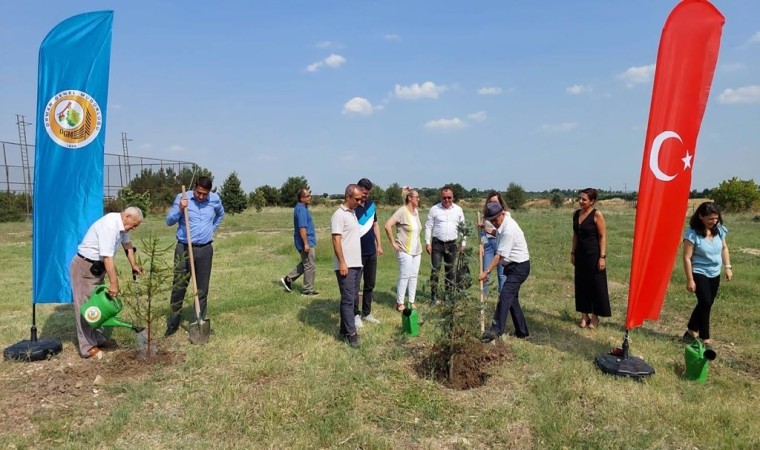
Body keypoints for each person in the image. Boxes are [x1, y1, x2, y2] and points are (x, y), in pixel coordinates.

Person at [70, 207, 143, 359]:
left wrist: (134, 264)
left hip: (97, 268)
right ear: (127, 216)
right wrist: (114, 283)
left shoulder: (122, 227)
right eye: (134, 224)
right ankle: (87, 346)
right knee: (85, 307)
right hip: (85, 267)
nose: (134, 228)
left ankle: (96, 337)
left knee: (97, 305)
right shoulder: (110, 226)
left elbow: (128, 246)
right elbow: (108, 257)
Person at [165, 176, 225, 337]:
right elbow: (169, 221)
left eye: (204, 194)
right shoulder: (182, 197)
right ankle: (172, 324)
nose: (201, 197)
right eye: (199, 193)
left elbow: (220, 214)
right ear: (194, 188)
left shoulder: (214, 199)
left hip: (205, 249)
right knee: (179, 287)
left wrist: (212, 229)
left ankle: (198, 321)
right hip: (184, 248)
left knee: (202, 289)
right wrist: (180, 208)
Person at [682, 201, 733, 349]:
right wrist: (690, 279)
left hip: (715, 272)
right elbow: (686, 258)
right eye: (710, 219)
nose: (714, 221)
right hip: (699, 272)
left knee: (707, 303)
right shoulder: (692, 234)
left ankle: (691, 330)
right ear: (701, 217)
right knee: (705, 304)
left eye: (716, 218)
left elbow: (724, 248)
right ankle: (705, 339)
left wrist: (728, 267)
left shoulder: (719, 230)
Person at [479, 201, 530, 343]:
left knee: (505, 295)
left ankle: (496, 330)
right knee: (512, 300)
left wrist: (486, 271)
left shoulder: (509, 229)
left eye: (495, 220)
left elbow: (499, 255)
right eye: (492, 221)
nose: (494, 223)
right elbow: (497, 233)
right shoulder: (502, 224)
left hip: (519, 267)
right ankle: (522, 332)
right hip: (513, 266)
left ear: (502, 214)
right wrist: (488, 229)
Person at [571, 188, 611, 329]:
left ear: (592, 201)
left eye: (584, 199)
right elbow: (575, 235)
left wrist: (602, 257)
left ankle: (595, 317)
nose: (581, 201)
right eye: (580, 198)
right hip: (580, 255)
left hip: (594, 255)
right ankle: (584, 315)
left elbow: (602, 236)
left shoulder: (597, 215)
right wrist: (573, 253)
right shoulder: (576, 214)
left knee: (596, 285)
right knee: (581, 285)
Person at [332, 184, 365, 348]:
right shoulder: (339, 215)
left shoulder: (352, 214)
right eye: (357, 199)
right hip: (346, 265)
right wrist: (342, 262)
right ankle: (352, 335)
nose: (360, 202)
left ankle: (344, 330)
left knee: (351, 298)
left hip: (356, 264)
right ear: (348, 197)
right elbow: (336, 240)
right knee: (348, 300)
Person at [424, 186, 466, 304]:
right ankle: (433, 296)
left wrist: (463, 243)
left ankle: (448, 296)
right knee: (435, 270)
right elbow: (428, 226)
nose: (447, 200)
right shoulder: (434, 209)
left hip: (452, 245)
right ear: (441, 197)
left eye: (449, 197)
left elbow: (463, 228)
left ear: (453, 197)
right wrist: (427, 243)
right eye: (444, 198)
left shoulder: (458, 210)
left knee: (450, 272)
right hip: (437, 244)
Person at [384, 187, 423, 312]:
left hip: (417, 250)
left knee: (414, 275)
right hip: (404, 249)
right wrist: (393, 243)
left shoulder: (416, 212)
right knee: (405, 275)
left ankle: (411, 301)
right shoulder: (401, 211)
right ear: (410, 198)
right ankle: (400, 303)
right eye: (416, 197)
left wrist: (408, 189)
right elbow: (387, 225)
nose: (419, 199)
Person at [353, 178, 384, 327]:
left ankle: (367, 313)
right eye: (364, 193)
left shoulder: (371, 205)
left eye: (368, 193)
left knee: (369, 284)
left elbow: (375, 225)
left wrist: (379, 244)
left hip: (371, 251)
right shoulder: (353, 206)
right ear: (358, 189)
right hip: (356, 253)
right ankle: (354, 314)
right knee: (355, 285)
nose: (366, 196)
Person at [281, 188, 318, 296]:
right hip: (305, 242)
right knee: (310, 265)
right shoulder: (301, 210)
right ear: (302, 198)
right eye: (307, 196)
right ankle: (307, 291)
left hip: (305, 241)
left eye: (309, 195)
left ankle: (288, 279)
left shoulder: (301, 208)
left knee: (307, 263)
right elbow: (302, 228)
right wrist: (306, 243)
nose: (309, 197)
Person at [480, 191, 507, 297]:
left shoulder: (505, 215)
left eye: (496, 202)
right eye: (491, 202)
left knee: (502, 274)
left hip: (501, 244)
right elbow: (482, 233)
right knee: (486, 272)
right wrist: (482, 245)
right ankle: (484, 298)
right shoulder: (485, 216)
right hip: (488, 246)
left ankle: (503, 298)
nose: (493, 204)